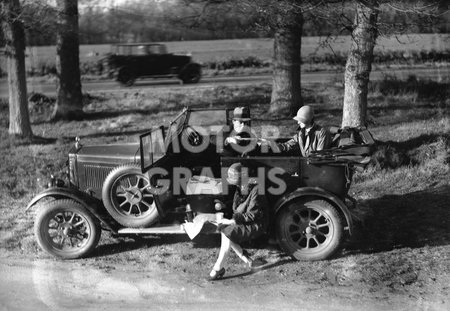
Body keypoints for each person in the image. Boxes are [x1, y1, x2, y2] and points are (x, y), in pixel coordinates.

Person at [208, 162, 269, 281]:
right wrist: (223, 206)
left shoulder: (256, 189)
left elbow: (253, 214)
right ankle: (247, 260)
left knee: (227, 231)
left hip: (257, 223)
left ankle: (218, 267)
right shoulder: (241, 187)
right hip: (246, 220)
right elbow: (237, 207)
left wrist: (232, 221)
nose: (235, 185)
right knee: (223, 229)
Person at [261, 105, 331, 157]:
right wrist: (270, 143)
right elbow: (287, 146)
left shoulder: (322, 133)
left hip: (317, 169)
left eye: (300, 120)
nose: (298, 122)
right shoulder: (301, 133)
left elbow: (319, 156)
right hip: (307, 166)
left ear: (307, 119)